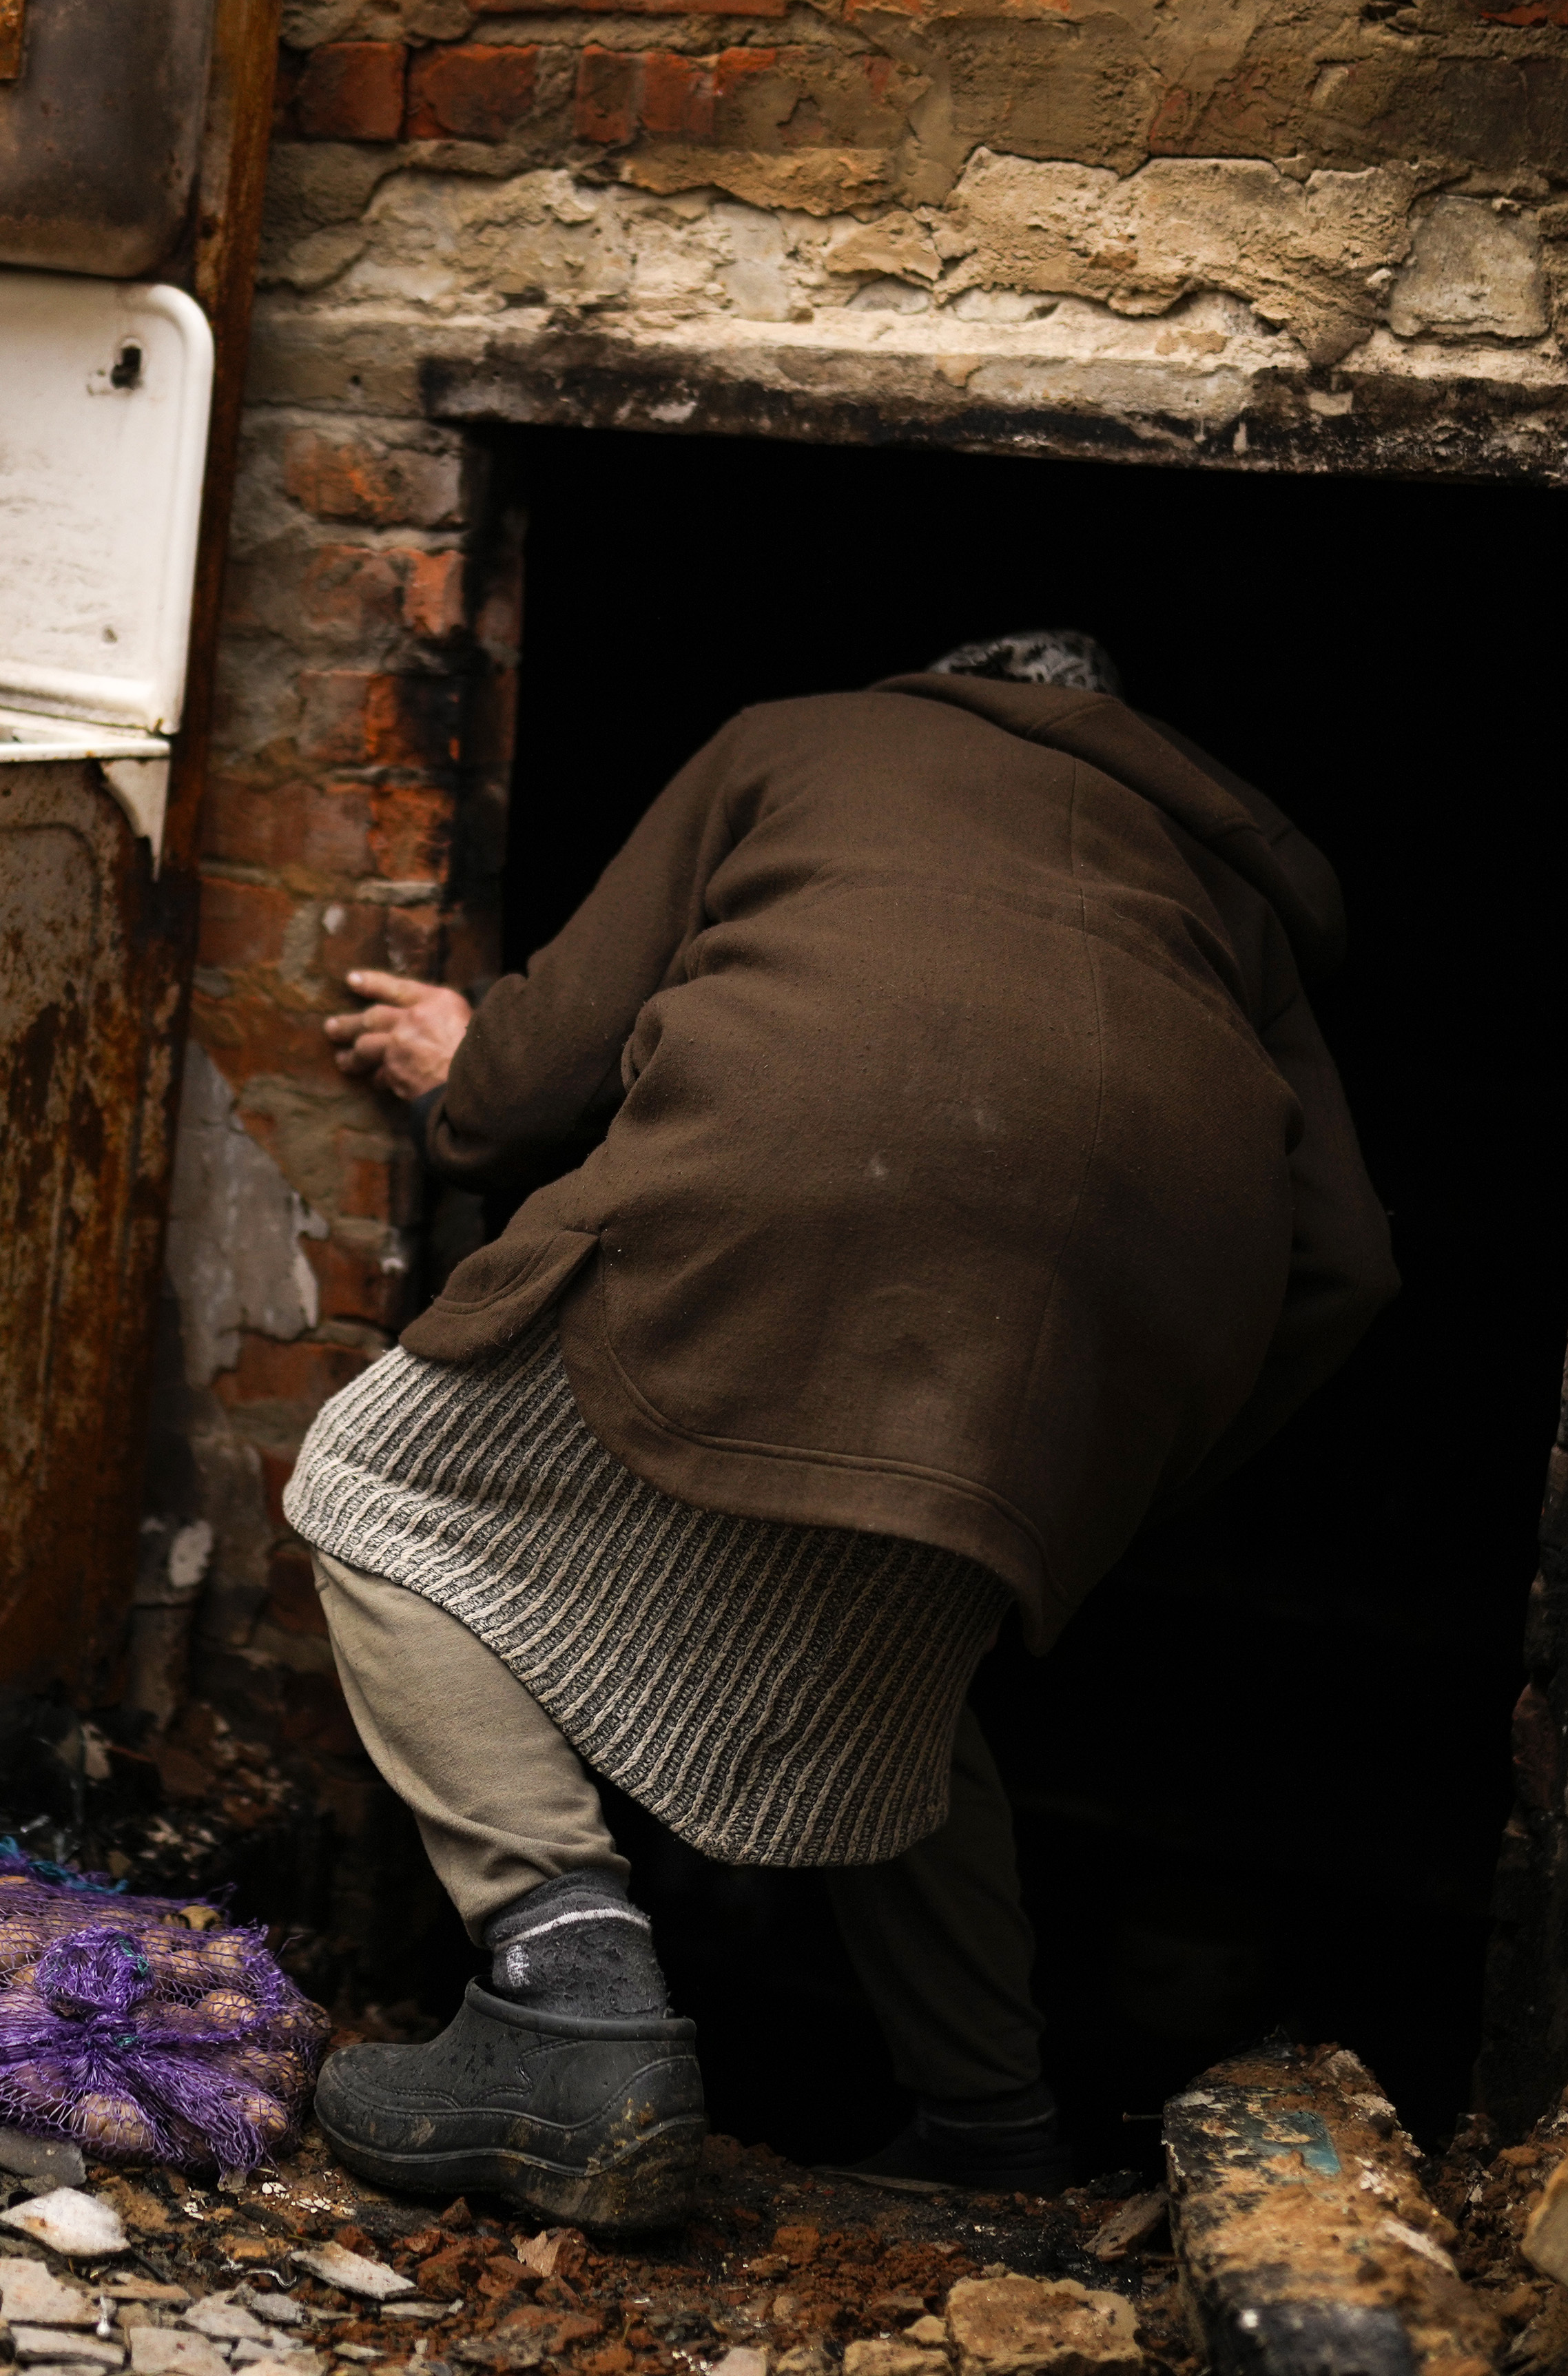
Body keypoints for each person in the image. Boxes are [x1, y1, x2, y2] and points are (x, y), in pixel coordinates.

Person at [285, 631, 1394, 2229]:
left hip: (781, 1194)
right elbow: (1346, 1265)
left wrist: (464, 1085)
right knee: (886, 1671)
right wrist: (1097, 1473)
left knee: (379, 1482)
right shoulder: (1226, 901)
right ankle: (989, 2129)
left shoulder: (800, 738)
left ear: (950, 685)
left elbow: (549, 1065)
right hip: (1062, 1362)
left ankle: (564, 1994)